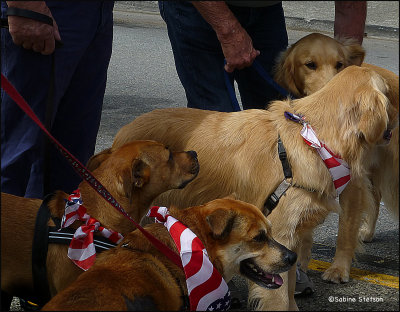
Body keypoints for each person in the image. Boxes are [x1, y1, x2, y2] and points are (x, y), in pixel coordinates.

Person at [1, 1, 114, 200]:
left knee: (72, 160)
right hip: (47, 9)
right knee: (18, 157)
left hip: (95, 11)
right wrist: (24, 4)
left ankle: (55, 229)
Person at [159, 1, 289, 112]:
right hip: (201, 9)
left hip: (265, 9)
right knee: (216, 116)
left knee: (272, 112)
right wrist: (228, 32)